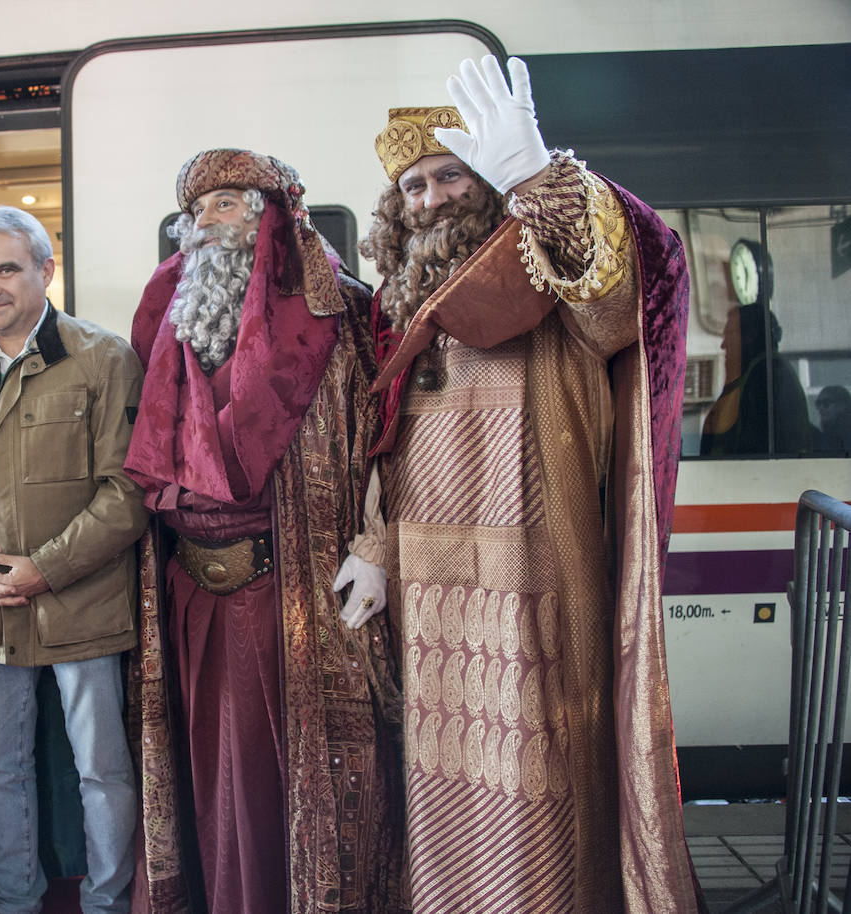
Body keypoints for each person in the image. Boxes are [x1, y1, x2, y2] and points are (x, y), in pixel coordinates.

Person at [354, 56, 705, 911]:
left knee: (540, 811)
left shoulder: (550, 288)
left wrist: (542, 184)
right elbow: (385, 457)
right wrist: (374, 550)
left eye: (450, 176)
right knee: (439, 818)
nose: (432, 198)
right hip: (429, 606)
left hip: (538, 600)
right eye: (414, 186)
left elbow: (618, 302)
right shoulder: (397, 315)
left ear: (486, 182)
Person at [125, 149, 400, 913]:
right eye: (197, 211)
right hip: (187, 590)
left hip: (290, 592)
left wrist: (375, 546)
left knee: (275, 778)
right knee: (200, 778)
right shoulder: (168, 312)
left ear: (271, 214)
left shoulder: (337, 311)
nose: (208, 224)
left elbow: (386, 437)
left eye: (228, 205)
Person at [0, 205, 146, 914]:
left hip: (83, 602)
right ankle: (17, 902)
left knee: (102, 770)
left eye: (6, 269)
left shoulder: (102, 359)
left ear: (46, 270)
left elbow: (128, 490)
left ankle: (108, 903)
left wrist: (46, 567)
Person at [700, 304, 817, 455]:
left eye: (729, 335)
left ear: (750, 336)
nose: (724, 345)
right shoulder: (754, 374)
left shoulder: (767, 375)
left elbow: (754, 450)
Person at [816, 384, 851, 451]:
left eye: (826, 403)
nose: (821, 408)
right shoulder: (824, 435)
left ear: (842, 405)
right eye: (818, 403)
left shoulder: (846, 435)